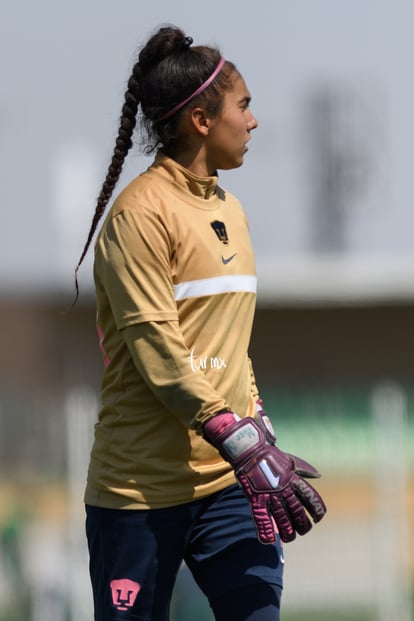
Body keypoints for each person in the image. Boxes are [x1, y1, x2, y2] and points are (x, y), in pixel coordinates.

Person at [75, 25, 327, 621]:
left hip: (229, 484)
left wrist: (257, 425)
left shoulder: (231, 211)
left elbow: (232, 348)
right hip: (138, 493)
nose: (254, 121)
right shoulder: (139, 216)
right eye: (244, 106)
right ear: (201, 121)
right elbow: (160, 354)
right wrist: (241, 441)